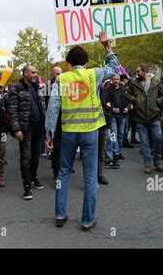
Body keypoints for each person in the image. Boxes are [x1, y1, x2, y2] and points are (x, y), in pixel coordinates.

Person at [46, 32, 119, 231]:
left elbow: (53, 108)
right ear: (86, 62)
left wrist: (49, 135)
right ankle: (87, 220)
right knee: (89, 176)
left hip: (69, 131)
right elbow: (114, 68)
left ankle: (60, 214)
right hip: (90, 132)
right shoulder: (93, 74)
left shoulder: (61, 79)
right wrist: (107, 46)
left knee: (63, 172)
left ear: (68, 64)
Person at [8, 65, 47, 200]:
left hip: (38, 127)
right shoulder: (16, 89)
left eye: (36, 72)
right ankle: (26, 186)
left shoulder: (38, 88)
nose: (35, 74)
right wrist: (16, 129)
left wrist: (46, 124)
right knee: (26, 157)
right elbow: (12, 111)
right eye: (33, 72)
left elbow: (42, 106)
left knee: (36, 156)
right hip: (25, 128)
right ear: (25, 73)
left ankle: (33, 178)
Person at [126, 64, 163, 174]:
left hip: (154, 116)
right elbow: (127, 94)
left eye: (138, 71)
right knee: (144, 142)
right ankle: (147, 164)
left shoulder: (156, 81)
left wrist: (157, 102)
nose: (136, 73)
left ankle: (157, 161)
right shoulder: (134, 83)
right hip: (140, 117)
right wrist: (135, 100)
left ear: (145, 71)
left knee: (158, 138)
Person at [103, 73, 129, 164]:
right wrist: (112, 108)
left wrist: (127, 107)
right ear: (111, 80)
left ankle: (119, 151)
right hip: (112, 116)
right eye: (114, 79)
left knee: (120, 135)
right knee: (113, 134)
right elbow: (106, 102)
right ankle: (115, 152)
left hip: (122, 116)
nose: (116, 81)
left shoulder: (124, 89)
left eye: (117, 79)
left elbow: (129, 101)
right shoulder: (107, 90)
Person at [46, 67, 63, 181]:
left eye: (60, 74)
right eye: (56, 73)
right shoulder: (46, 87)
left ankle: (63, 167)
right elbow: (45, 103)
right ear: (52, 74)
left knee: (64, 146)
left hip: (64, 120)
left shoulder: (65, 85)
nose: (58, 76)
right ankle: (56, 171)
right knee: (55, 147)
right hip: (53, 121)